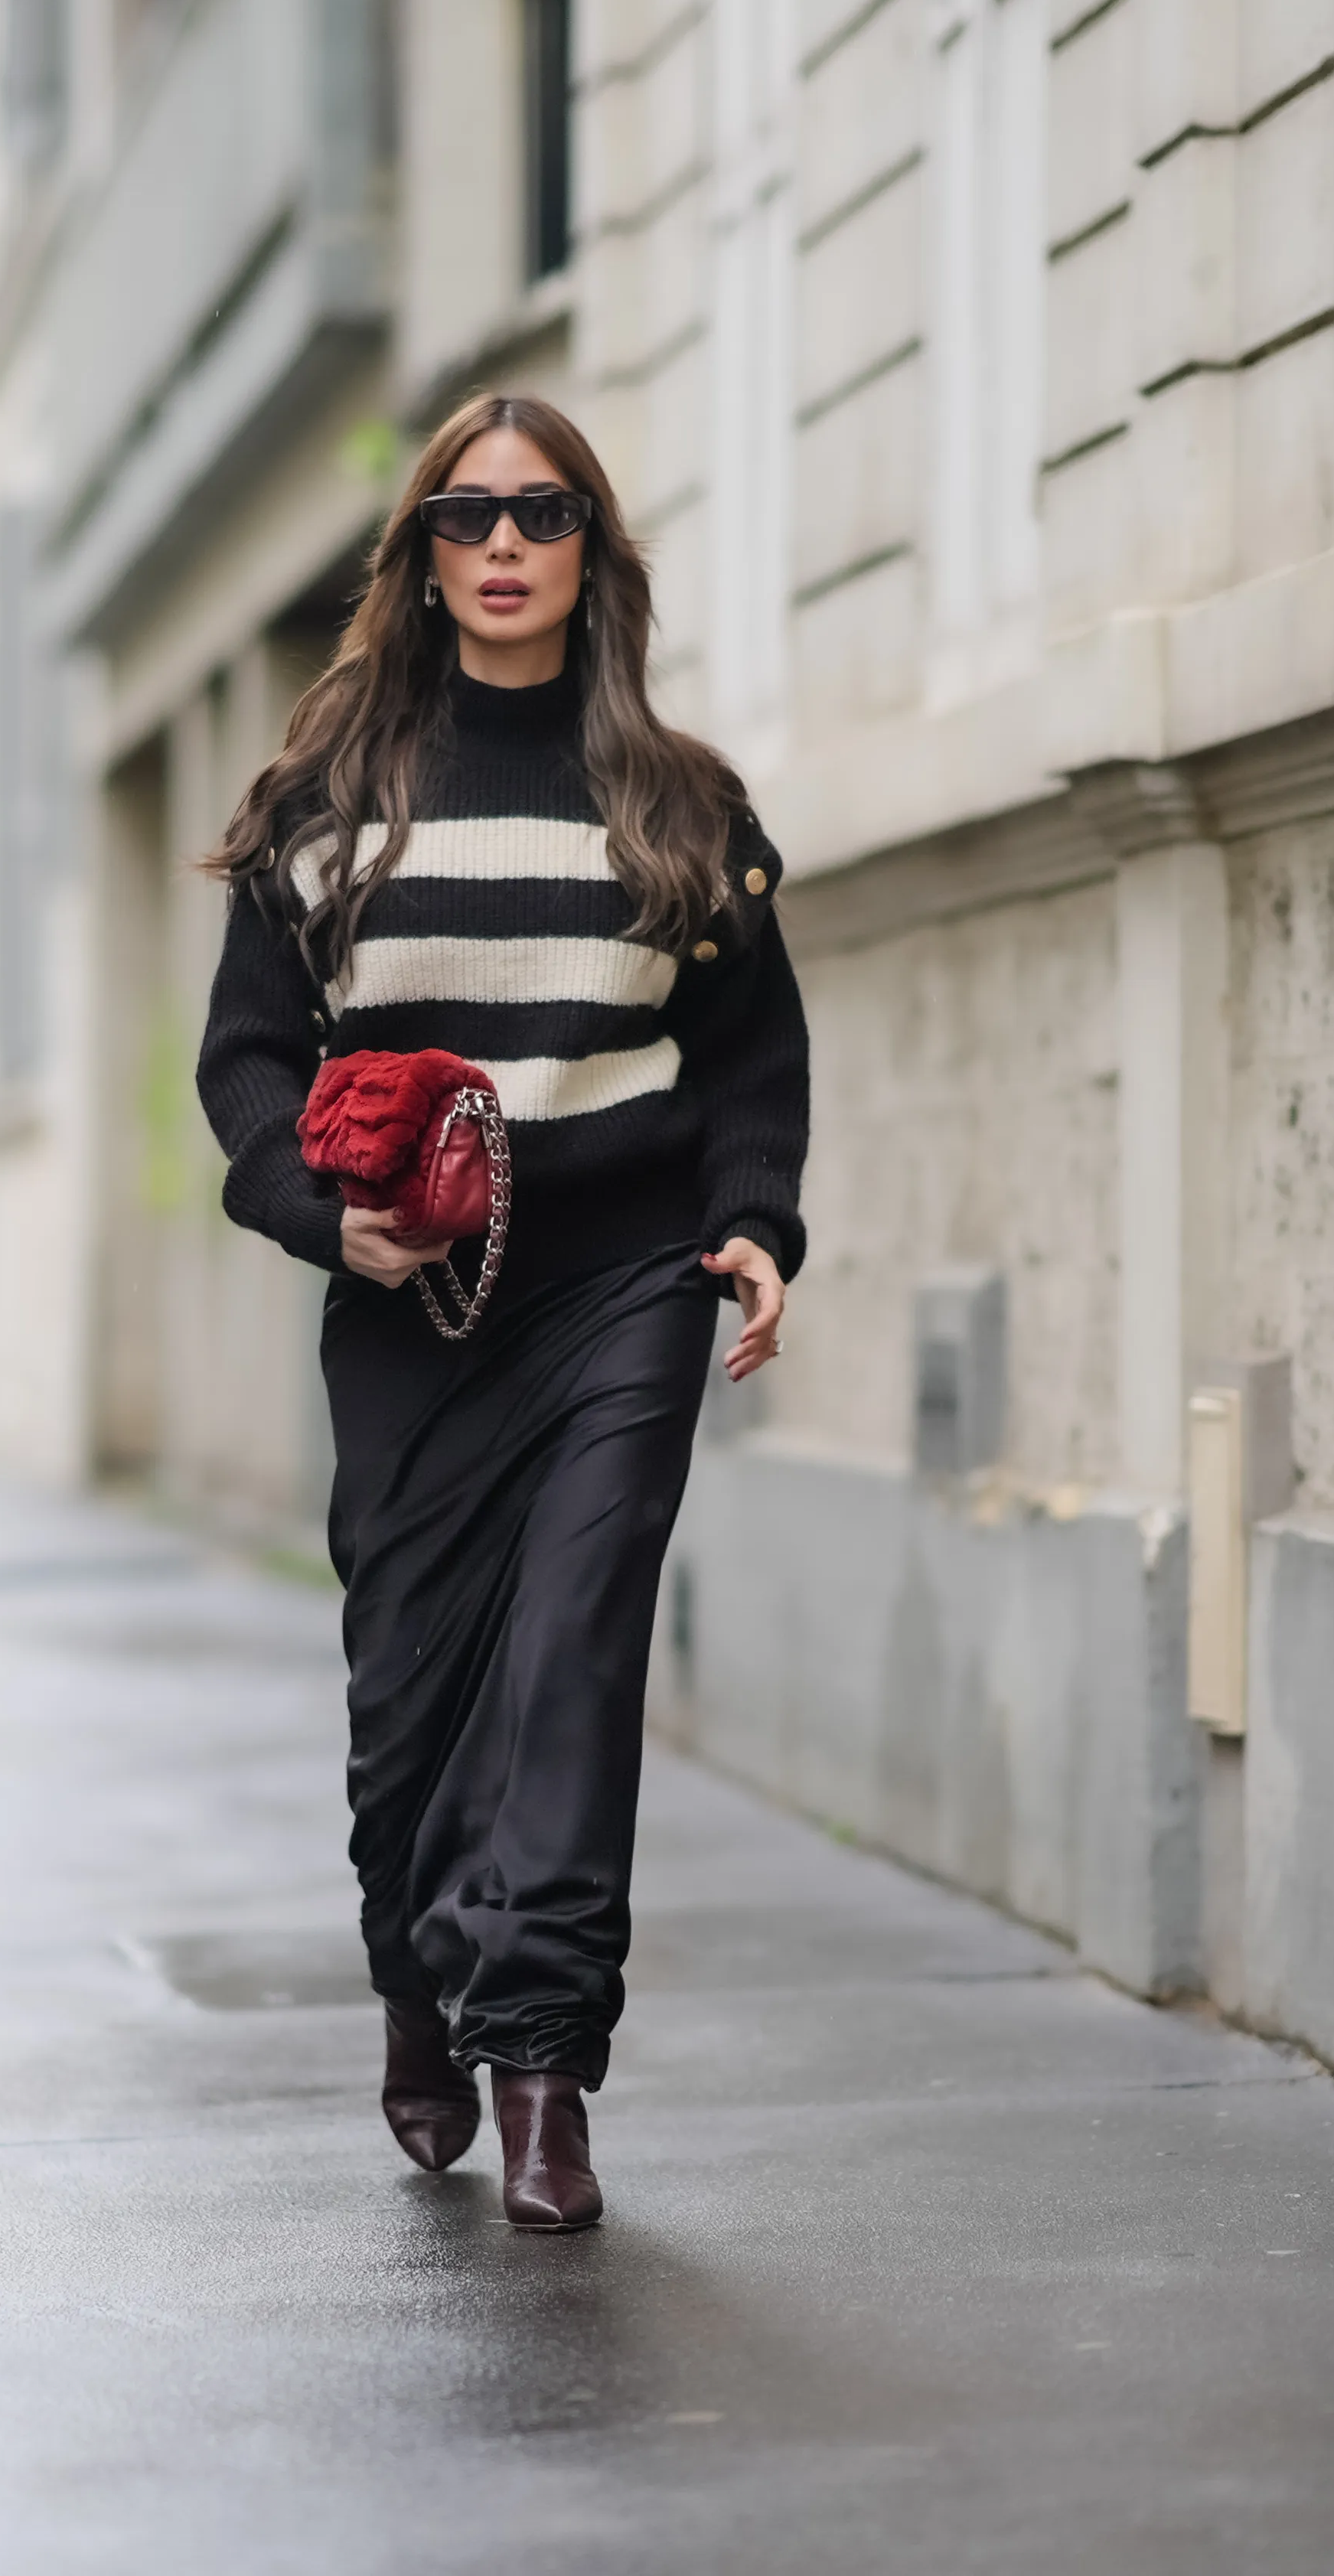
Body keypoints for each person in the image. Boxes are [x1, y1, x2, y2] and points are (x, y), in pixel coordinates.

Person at [195, 393, 810, 2232]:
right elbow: (244, 1060)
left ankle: (540, 2059)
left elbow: (750, 1050)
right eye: (467, 517)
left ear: (590, 554)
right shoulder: (325, 806)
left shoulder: (681, 807)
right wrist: (323, 1217)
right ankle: (417, 1971)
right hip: (408, 1311)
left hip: (623, 1284)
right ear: (421, 558)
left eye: (541, 514)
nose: (504, 546)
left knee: (574, 1654)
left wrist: (752, 1222)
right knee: (405, 1705)